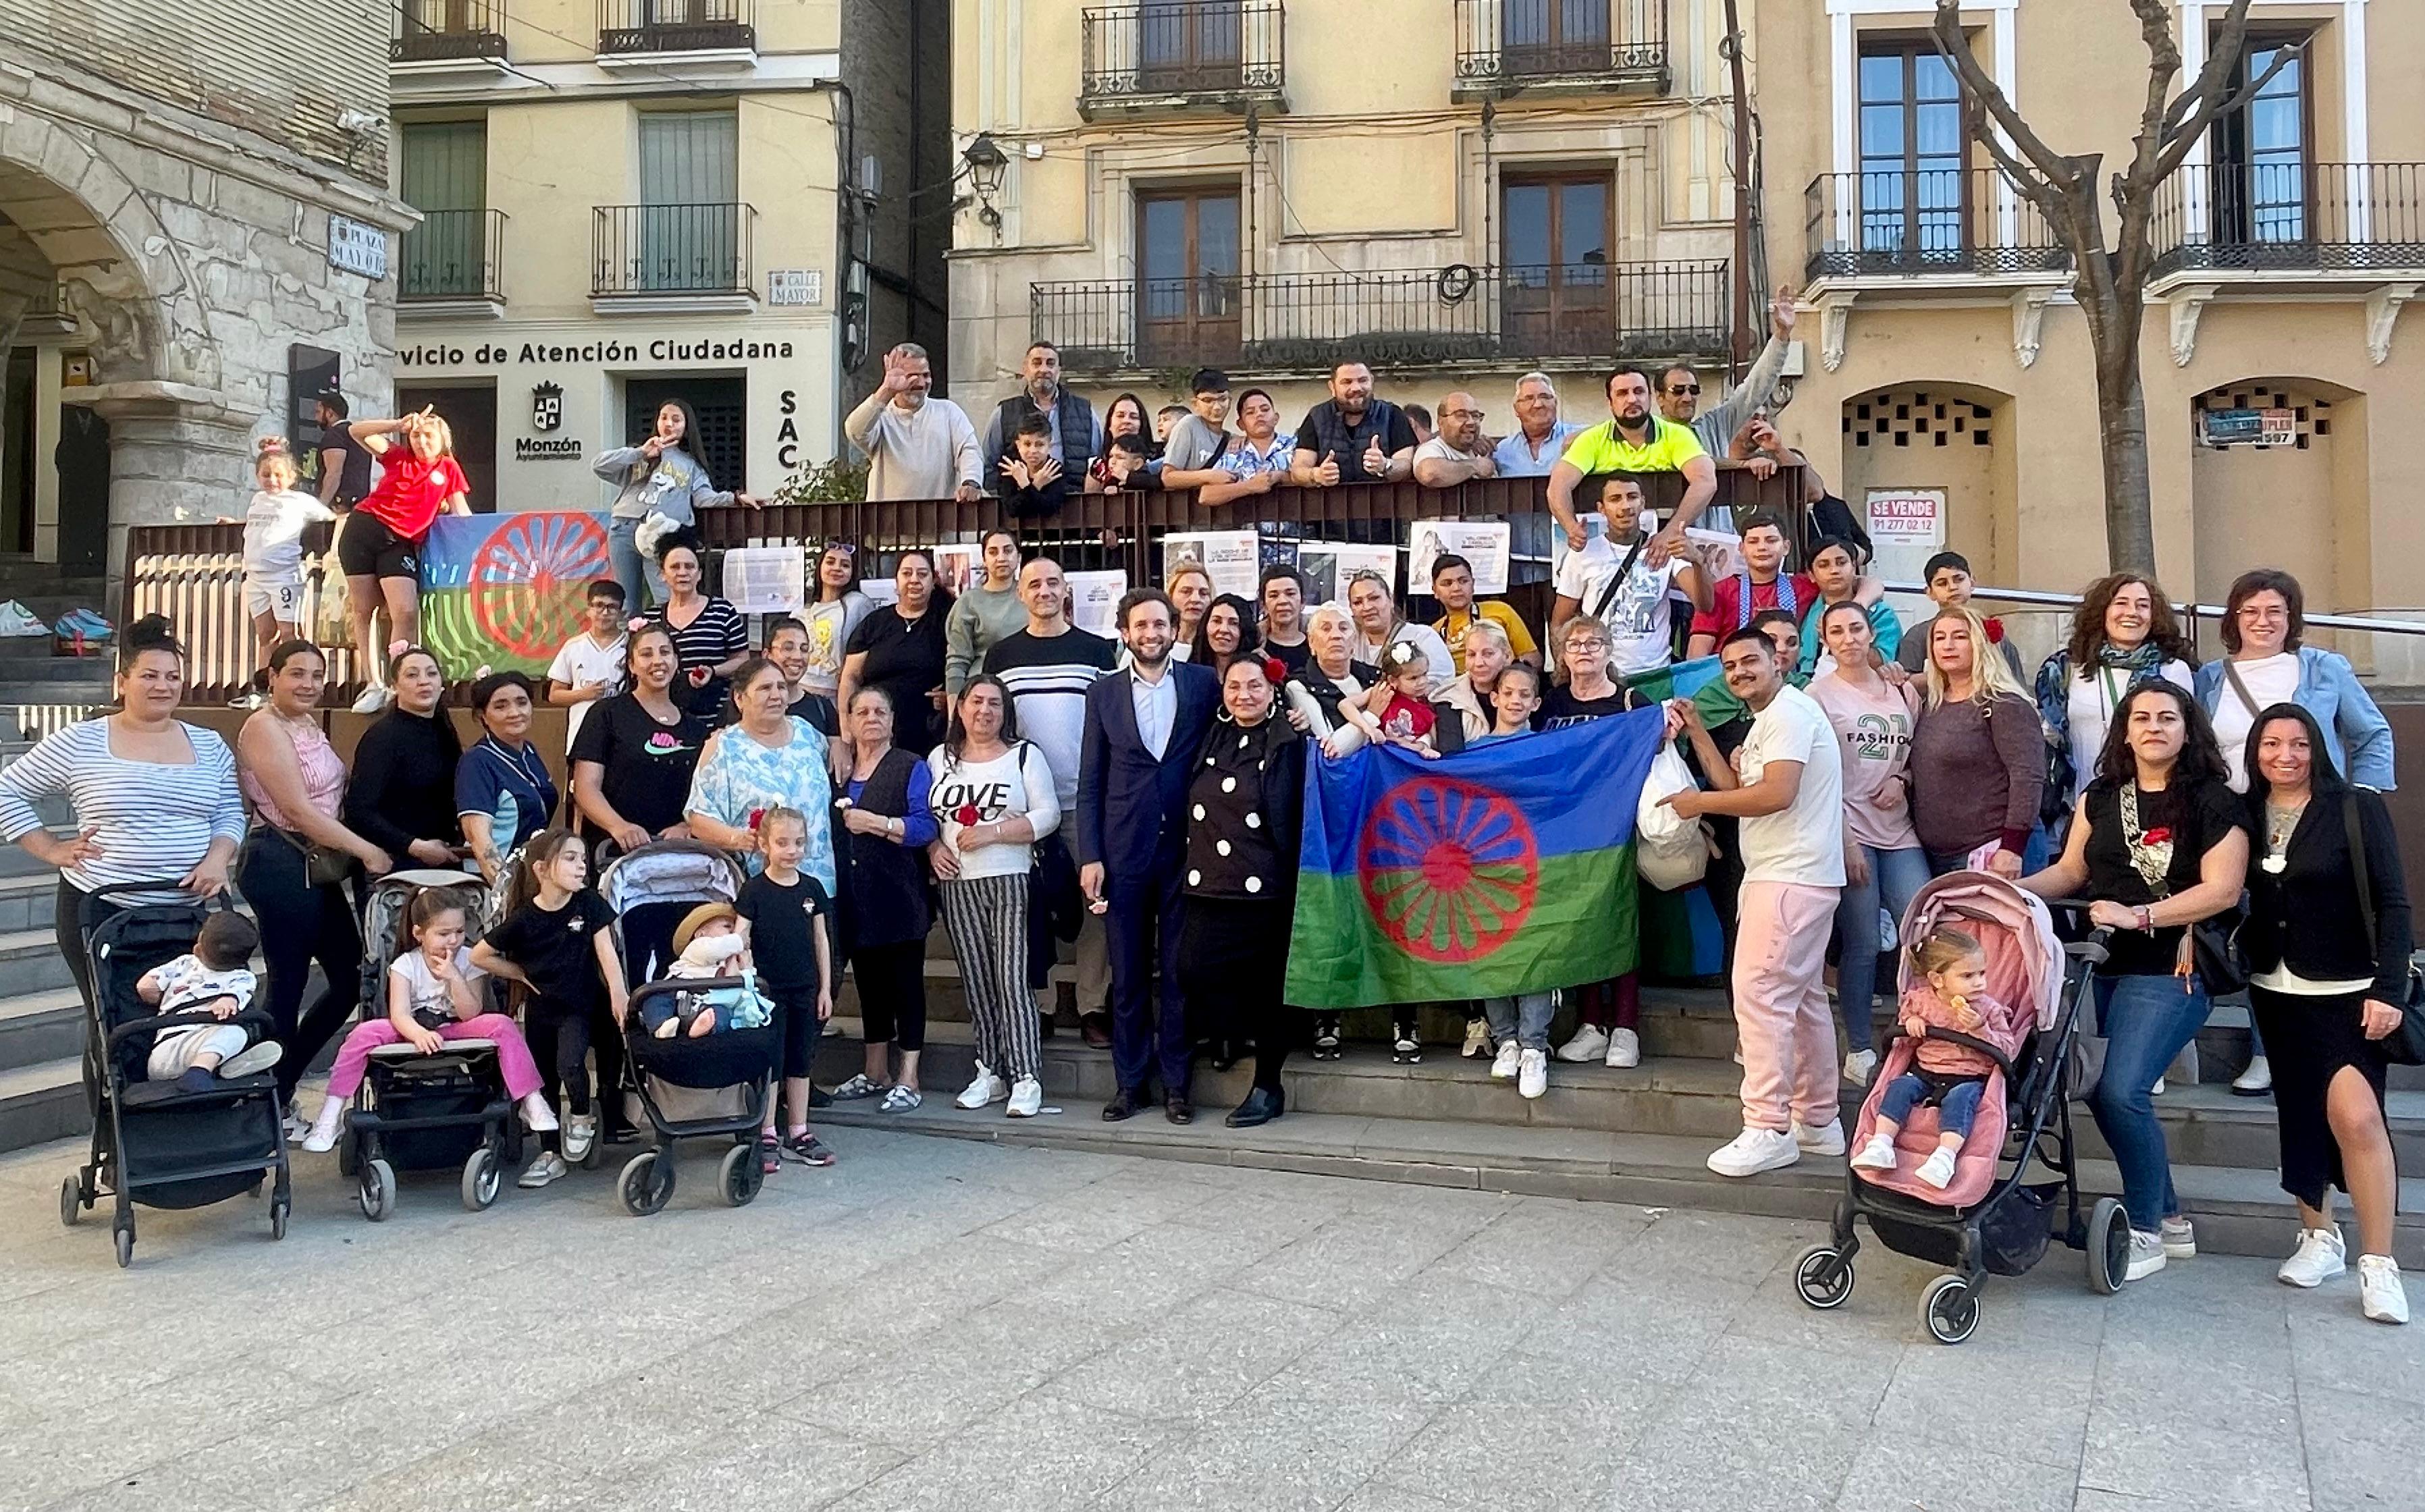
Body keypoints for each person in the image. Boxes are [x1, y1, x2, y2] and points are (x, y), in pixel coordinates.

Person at [2022, 680, 2247, 1281]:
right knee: (2102, 1088)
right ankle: (2169, 1219)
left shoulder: (2214, 801)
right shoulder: (2101, 796)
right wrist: (2008, 890)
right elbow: (2070, 872)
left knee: (2123, 1089)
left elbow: (2222, 890)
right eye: (2141, 718)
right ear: (2124, 730)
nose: (2154, 727)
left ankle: (2145, 1228)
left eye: (2167, 718)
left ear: (2188, 730)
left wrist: (2140, 916)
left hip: (2174, 966)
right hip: (2101, 963)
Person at [2197, 568, 2397, 1096]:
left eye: (2275, 612)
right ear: (2233, 618)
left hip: (2311, 819)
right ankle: (2266, 1045)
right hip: (2237, 821)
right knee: (2257, 928)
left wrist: (2360, 803)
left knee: (2306, 923)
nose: (2262, 621)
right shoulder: (2209, 678)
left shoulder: (2324, 668)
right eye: (2250, 611)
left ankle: (2283, 1053)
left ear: (2292, 618)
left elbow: (2372, 733)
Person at [2239, 703, 2409, 1323]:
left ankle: (2380, 1263)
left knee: (2357, 1118)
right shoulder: (2243, 814)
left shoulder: (2355, 807)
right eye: (2271, 744)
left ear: (2319, 749)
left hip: (2349, 992)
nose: (2285, 755)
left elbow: (2394, 904)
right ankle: (2319, 1236)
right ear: (2255, 751)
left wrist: (2390, 990)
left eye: (2299, 743)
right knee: (2300, 1115)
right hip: (2274, 989)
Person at [1667, 626, 1848, 1178]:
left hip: (1789, 876)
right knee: (1802, 1000)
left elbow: (1776, 794)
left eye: (1750, 660)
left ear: (1779, 662)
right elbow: (1739, 788)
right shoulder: (1773, 718)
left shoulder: (1789, 713)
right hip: (1792, 876)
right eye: (1730, 666)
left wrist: (1697, 801)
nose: (1740, 672)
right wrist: (1698, 732)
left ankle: (1768, 1127)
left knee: (1760, 996)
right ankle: (1817, 1121)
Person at [0, 616, 242, 1016]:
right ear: (122, 682)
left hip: (185, 912)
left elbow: (229, 811)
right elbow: (8, 790)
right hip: (102, 907)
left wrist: (218, 859)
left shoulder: (209, 743)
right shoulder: (82, 740)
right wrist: (51, 849)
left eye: (173, 677)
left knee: (182, 1020)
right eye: (149, 676)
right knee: (115, 1024)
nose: (163, 686)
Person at [1076, 587, 1219, 1123]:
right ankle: (1130, 1084)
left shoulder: (1202, 683)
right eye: (1141, 626)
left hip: (1187, 849)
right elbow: (1091, 781)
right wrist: (1091, 854)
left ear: (1174, 630)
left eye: (1160, 625)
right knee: (1129, 974)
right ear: (1125, 633)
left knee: (1179, 973)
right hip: (1123, 853)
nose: (1151, 634)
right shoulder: (1103, 693)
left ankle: (1178, 1087)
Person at [236, 640, 387, 1110]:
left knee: (349, 978)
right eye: (297, 674)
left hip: (314, 864)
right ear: (273, 677)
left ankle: (279, 1084)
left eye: (317, 675)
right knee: (288, 985)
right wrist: (368, 851)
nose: (308, 684)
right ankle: (266, 1102)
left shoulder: (306, 723)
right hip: (279, 860)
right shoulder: (262, 727)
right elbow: (298, 810)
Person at [301, 884, 556, 1154]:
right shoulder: (406, 964)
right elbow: (399, 1013)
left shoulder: (470, 959)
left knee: (503, 1025)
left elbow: (471, 1013)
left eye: (460, 932)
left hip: (457, 1026)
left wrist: (455, 977)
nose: (453, 940)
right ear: (419, 934)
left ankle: (531, 1099)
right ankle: (330, 1115)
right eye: (443, 934)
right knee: (362, 1034)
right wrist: (418, 1034)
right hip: (412, 1027)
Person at [985, 556, 1120, 1046]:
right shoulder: (1002, 655)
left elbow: (1113, 722)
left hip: (1086, 800)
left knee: (1095, 905)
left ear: (1066, 591)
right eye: (1034, 584)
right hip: (1024, 804)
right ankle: (1038, 1005)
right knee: (1028, 909)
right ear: (1021, 594)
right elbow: (995, 725)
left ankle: (1092, 1006)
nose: (1044, 591)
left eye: (1053, 583)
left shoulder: (1097, 651)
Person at [1179, 657, 1306, 1128]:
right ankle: (1231, 1034)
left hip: (1264, 888)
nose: (1244, 695)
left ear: (1272, 691)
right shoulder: (1213, 735)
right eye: (1234, 686)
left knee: (1267, 990)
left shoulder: (1289, 740)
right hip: (1208, 882)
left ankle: (1268, 1087)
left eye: (1254, 686)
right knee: (1192, 969)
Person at [1810, 601, 1928, 1084]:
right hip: (1850, 829)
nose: (1849, 638)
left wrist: (1903, 778)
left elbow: (1920, 753)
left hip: (1899, 829)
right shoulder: (1817, 696)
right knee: (1861, 941)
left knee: (1923, 927)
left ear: (1871, 633)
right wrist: (1845, 842)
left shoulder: (1901, 689)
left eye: (1856, 628)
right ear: (1825, 640)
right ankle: (1859, 1047)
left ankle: (1924, 1033)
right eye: (1837, 631)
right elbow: (1817, 777)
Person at [930, 676, 1059, 1120]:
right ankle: (990, 1069)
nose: (984, 711)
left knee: (1011, 979)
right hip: (957, 883)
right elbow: (928, 817)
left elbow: (1048, 815)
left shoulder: (1023, 756)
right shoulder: (940, 758)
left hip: (1010, 878)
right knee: (977, 980)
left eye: (994, 704)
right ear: (960, 708)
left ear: (1005, 712)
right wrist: (934, 848)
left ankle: (1026, 1075)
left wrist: (994, 832)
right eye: (976, 702)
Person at [473, 828, 625, 1187]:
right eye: (570, 859)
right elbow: (480, 955)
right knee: (544, 1080)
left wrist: (619, 993)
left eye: (583, 859)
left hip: (581, 1006)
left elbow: (606, 952)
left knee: (570, 1063)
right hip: (542, 1010)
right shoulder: (525, 917)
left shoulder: (588, 903)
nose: (581, 866)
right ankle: (550, 1152)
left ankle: (583, 1114)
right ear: (541, 869)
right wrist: (519, 974)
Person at [1535, 615, 1653, 1068]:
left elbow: (1655, 751)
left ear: (1609, 650)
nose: (1584, 650)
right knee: (1581, 925)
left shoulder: (1630, 701)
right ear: (1562, 656)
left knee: (1619, 922)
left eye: (1594, 642)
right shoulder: (1550, 704)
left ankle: (1625, 1028)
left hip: (1616, 830)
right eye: (1575, 644)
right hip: (1564, 834)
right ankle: (1590, 1026)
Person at [824, 685, 936, 1114]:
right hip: (855, 898)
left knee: (906, 987)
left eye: (880, 712)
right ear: (850, 722)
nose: (871, 718)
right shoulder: (839, 770)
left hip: (900, 894)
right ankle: (875, 1072)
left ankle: (909, 1076)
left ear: (892, 720)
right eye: (863, 712)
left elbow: (926, 826)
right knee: (870, 988)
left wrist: (878, 823)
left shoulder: (911, 766)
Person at [1848, 926, 2025, 1189]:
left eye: (1982, 973)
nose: (1979, 982)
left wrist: (1981, 1029)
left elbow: (2008, 1050)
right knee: (1899, 1087)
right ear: (1938, 979)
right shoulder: (1920, 1002)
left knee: (1960, 1101)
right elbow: (1904, 1040)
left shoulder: (1989, 1010)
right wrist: (1911, 1023)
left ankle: (1945, 1157)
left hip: (1968, 1076)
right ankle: (1881, 1143)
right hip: (1925, 1070)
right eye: (1968, 976)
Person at [2035, 571, 2197, 822]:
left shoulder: (2173, 670)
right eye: (2121, 603)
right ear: (2102, 611)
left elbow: (2188, 740)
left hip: (2154, 808)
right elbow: (2049, 740)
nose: (2132, 612)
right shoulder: (2067, 669)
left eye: (2143, 606)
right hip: (2081, 809)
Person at [342, 408, 472, 712]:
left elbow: (462, 513)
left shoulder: (448, 468)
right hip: (364, 528)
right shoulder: (398, 457)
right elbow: (356, 431)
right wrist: (397, 425)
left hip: (401, 542)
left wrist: (485, 540)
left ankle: (399, 680)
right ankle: (373, 683)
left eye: (428, 436)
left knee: (406, 611)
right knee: (364, 610)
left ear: (442, 439)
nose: (422, 442)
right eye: (416, 436)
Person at [736, 805, 838, 1168]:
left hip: (805, 989)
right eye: (782, 843)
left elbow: (821, 940)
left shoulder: (812, 889)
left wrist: (825, 989)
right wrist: (745, 978)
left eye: (799, 842)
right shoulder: (754, 891)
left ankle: (799, 1130)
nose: (792, 850)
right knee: (772, 1061)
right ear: (764, 845)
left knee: (800, 1059)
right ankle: (767, 1131)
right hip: (768, 994)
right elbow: (740, 938)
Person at [1472, 663, 1556, 1099]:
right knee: (1492, 955)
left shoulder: (1547, 749)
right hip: (1486, 872)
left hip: (1534, 869)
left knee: (1534, 955)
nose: (1516, 700)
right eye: (1508, 692)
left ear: (1536, 702)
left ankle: (1534, 1047)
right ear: (1494, 697)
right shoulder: (1474, 752)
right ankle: (1505, 1040)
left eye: (1525, 694)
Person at [1909, 606, 2043, 878]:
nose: (1948, 645)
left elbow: (2027, 777)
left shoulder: (2004, 703)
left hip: (1992, 852)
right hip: (1933, 856)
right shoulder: (1930, 704)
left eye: (1960, 637)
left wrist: (2012, 848)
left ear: (1980, 643)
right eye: (1939, 638)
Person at [685, 657, 839, 890]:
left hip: (819, 883)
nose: (776, 695)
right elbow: (698, 817)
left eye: (781, 687)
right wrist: (737, 839)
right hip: (760, 886)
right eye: (765, 688)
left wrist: (839, 743)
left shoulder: (807, 733)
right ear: (739, 698)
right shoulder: (724, 746)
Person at [1655, 285, 1799, 528]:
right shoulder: (1651, 435)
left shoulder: (1713, 425)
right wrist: (1743, 465)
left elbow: (1754, 389)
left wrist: (1782, 335)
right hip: (1674, 544)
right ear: (1659, 398)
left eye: (1693, 390)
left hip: (1721, 541)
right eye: (1678, 391)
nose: (1687, 397)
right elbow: (1695, 461)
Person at [597, 398, 762, 610]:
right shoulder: (639, 454)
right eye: (664, 418)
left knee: (665, 598)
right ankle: (631, 632)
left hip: (661, 533)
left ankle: (664, 633)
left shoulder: (690, 465)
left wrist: (735, 498)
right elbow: (599, 466)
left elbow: (704, 498)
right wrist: (641, 453)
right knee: (626, 602)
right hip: (624, 528)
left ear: (686, 426)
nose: (669, 424)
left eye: (676, 420)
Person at [1545, 367, 1714, 564]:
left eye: (1639, 391)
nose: (1632, 399)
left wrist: (1671, 532)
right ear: (1610, 403)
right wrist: (1571, 528)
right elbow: (1558, 486)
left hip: (1668, 552)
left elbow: (1705, 481)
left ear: (1650, 397)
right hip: (1608, 556)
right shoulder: (1592, 439)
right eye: (1622, 393)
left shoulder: (1677, 435)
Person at [567, 622, 708, 855]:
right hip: (614, 853)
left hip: (678, 857)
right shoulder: (606, 714)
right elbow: (586, 787)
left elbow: (705, 797)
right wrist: (619, 827)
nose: (658, 661)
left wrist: (687, 826)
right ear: (631, 665)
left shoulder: (696, 729)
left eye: (665, 652)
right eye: (646, 654)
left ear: (676, 662)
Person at [1551, 476, 1709, 677]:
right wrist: (1566, 673)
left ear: (1642, 503)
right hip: (1601, 675)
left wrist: (1697, 561)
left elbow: (1705, 605)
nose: (1625, 506)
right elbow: (1559, 622)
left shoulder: (1663, 549)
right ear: (1601, 508)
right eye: (1615, 499)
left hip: (1655, 675)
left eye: (1632, 497)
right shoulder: (1584, 553)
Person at [342, 647, 465, 872]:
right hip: (396, 864)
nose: (423, 681)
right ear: (395, 686)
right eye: (412, 675)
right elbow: (359, 811)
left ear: (441, 684)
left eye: (431, 674)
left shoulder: (443, 729)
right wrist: (415, 847)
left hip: (445, 860)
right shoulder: (383, 736)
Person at [228, 437, 334, 699]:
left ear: (290, 477)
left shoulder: (299, 501)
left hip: (284, 575)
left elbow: (329, 518)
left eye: (278, 475)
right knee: (265, 634)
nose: (272, 480)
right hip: (256, 576)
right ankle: (265, 686)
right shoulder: (257, 500)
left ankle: (295, 683)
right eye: (266, 475)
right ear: (257, 476)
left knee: (290, 633)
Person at [137, 913, 279, 1093]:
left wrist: (228, 1000)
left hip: (180, 1051)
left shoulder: (187, 965)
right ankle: (213, 1070)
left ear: (197, 948)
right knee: (235, 1033)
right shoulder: (238, 977)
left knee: (232, 1035)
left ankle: (208, 1070)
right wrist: (227, 1001)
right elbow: (236, 996)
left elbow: (144, 987)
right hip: (180, 1048)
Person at [839, 550, 951, 754]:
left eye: (922, 574)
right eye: (907, 573)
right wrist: (847, 730)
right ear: (896, 581)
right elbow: (850, 677)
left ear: (933, 581)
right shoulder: (874, 623)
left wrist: (949, 697)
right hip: (874, 735)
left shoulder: (947, 623)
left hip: (928, 736)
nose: (914, 580)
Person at [845, 343, 985, 504]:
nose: (921, 383)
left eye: (926, 375)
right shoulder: (881, 418)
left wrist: (971, 481)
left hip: (940, 517)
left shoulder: (948, 411)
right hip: (888, 518)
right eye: (912, 376)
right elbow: (855, 431)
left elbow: (969, 449)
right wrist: (886, 390)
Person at [455, 671, 558, 888]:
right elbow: (479, 838)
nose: (515, 713)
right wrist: (505, 892)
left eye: (522, 703)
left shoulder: (528, 752)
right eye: (501, 706)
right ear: (482, 716)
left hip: (529, 877)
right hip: (492, 882)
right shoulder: (477, 762)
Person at [1686, 510, 1815, 659]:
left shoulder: (1804, 586)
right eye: (1753, 542)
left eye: (1771, 540)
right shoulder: (1720, 591)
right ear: (1742, 548)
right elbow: (1698, 653)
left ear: (1786, 547)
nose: (1762, 547)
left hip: (1791, 670)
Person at [651, 534, 749, 720]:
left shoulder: (723, 611)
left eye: (689, 567)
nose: (683, 573)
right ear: (663, 574)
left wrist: (714, 671)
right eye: (675, 567)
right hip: (665, 715)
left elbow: (743, 659)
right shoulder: (651, 618)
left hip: (716, 713)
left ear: (699, 574)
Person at [984, 341, 1101, 485]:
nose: (1044, 369)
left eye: (1050, 364)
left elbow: (1097, 462)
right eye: (1037, 363)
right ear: (1025, 369)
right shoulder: (1004, 413)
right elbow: (988, 466)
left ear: (1058, 371)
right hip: (1021, 497)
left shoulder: (1085, 412)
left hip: (1073, 496)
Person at [1896, 551, 2024, 680]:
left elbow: (2016, 685)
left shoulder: (1991, 632)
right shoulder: (1918, 636)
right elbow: (1905, 684)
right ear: (1930, 592)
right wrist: (1944, 676)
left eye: (1959, 579)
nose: (1952, 587)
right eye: (1942, 583)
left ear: (1972, 583)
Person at [1289, 360, 1418, 486]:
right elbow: (1298, 470)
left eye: (1363, 380)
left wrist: (1386, 465)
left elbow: (1406, 466)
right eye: (1347, 382)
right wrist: (1316, 475)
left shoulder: (1392, 414)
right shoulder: (1317, 417)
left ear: (1372, 381)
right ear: (1332, 387)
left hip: (1384, 499)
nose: (1356, 388)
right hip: (1330, 499)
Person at [652, 905, 772, 1038]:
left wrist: (746, 967)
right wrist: (739, 938)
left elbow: (741, 989)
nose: (733, 932)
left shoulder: (731, 958)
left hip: (707, 1003)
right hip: (678, 992)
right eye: (727, 926)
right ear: (700, 934)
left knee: (722, 1014)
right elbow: (716, 949)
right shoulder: (698, 947)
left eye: (735, 929)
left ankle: (701, 1029)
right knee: (655, 998)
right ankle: (662, 1026)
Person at [1795, 536, 1900, 676]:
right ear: (1811, 575)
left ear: (1854, 567)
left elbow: (1883, 661)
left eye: (1841, 563)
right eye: (1824, 565)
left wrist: (1839, 640)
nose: (1834, 570)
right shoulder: (1804, 605)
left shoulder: (1881, 614)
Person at [801, 540, 876, 728]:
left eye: (845, 565)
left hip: (839, 697)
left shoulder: (859, 604)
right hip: (803, 696)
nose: (837, 568)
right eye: (830, 562)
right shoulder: (801, 612)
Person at [545, 579, 629, 746]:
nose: (605, 613)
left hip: (622, 736)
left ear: (621, 613)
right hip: (581, 735)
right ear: (588, 610)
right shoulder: (573, 646)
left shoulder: (631, 645)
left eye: (612, 607)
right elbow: (554, 695)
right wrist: (584, 694)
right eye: (599, 606)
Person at [946, 529, 1028, 697]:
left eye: (1008, 551)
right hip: (984, 694)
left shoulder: (1031, 596)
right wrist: (954, 706)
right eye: (993, 552)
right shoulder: (968, 602)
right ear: (984, 559)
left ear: (1019, 557)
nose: (1001, 558)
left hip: (1028, 688)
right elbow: (957, 661)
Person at [1431, 552, 1538, 674]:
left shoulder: (1501, 611)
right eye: (1447, 583)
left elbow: (1533, 659)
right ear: (1435, 591)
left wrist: (1508, 675)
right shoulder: (1434, 632)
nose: (1456, 588)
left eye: (1463, 581)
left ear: (1473, 584)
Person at [1344, 570, 1452, 691]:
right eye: (1358, 603)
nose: (1367, 607)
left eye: (1374, 598)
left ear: (1390, 600)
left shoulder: (1422, 637)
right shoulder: (1347, 641)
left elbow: (1442, 683)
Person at [1341, 640, 1449, 759]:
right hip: (1380, 757)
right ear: (1393, 680)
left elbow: (1431, 738)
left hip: (1409, 759)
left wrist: (1423, 747)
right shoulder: (1382, 691)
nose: (1422, 682)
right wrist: (1368, 727)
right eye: (1413, 678)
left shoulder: (1427, 702)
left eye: (1425, 674)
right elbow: (1345, 705)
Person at [1198, 388, 1295, 506]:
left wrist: (1280, 476)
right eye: (1250, 412)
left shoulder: (1295, 446)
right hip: (1245, 518)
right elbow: (1206, 496)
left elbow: (1309, 474)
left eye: (1265, 410)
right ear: (1241, 424)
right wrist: (1249, 486)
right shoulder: (1234, 453)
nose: (1259, 414)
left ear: (1276, 418)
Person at [1437, 617, 1513, 747]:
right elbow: (1451, 754)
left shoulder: (1522, 694)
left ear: (1507, 657)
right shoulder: (1449, 701)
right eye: (1471, 655)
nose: (1478, 663)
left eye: (1488, 654)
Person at [1157, 369, 1236, 490]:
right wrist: (1209, 476)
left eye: (1222, 399)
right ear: (1195, 404)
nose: (1217, 407)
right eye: (1208, 401)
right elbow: (1168, 477)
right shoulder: (1189, 425)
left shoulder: (1232, 439)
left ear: (1230, 401)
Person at [1411, 392, 1498, 487]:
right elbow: (1429, 474)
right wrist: (1476, 466)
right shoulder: (1432, 448)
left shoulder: (1482, 452)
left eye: (1475, 415)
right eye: (1461, 415)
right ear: (1441, 422)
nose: (1471, 422)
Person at [996, 413, 1074, 519]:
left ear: (1049, 446)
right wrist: (1036, 485)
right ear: (1018, 445)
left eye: (1040, 445)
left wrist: (1026, 486)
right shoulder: (1011, 469)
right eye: (1027, 444)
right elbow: (1013, 510)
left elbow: (1048, 509)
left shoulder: (1055, 470)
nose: (1033, 451)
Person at [1086, 393, 1156, 493]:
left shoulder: (1156, 460)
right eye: (1120, 416)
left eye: (1134, 417)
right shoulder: (1098, 467)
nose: (1127, 421)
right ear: (1110, 424)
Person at [313, 391, 371, 512]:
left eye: (318, 412)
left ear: (330, 413)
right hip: (360, 504)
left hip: (338, 505)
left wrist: (321, 506)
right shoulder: (356, 435)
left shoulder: (335, 435)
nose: (316, 418)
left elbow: (334, 473)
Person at [1256, 565, 1312, 674]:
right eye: (1274, 596)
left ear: (1303, 602)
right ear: (1263, 605)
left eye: (1290, 594)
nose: (1282, 601)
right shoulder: (1254, 649)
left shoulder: (1319, 648)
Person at [1190, 593, 1255, 682]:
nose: (1224, 630)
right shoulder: (1189, 674)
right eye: (1217, 621)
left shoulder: (1257, 672)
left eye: (1233, 623)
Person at [1165, 563, 1215, 662]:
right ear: (1171, 597)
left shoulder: (1218, 648)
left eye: (1203, 593)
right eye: (1186, 592)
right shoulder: (1157, 645)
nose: (1196, 599)